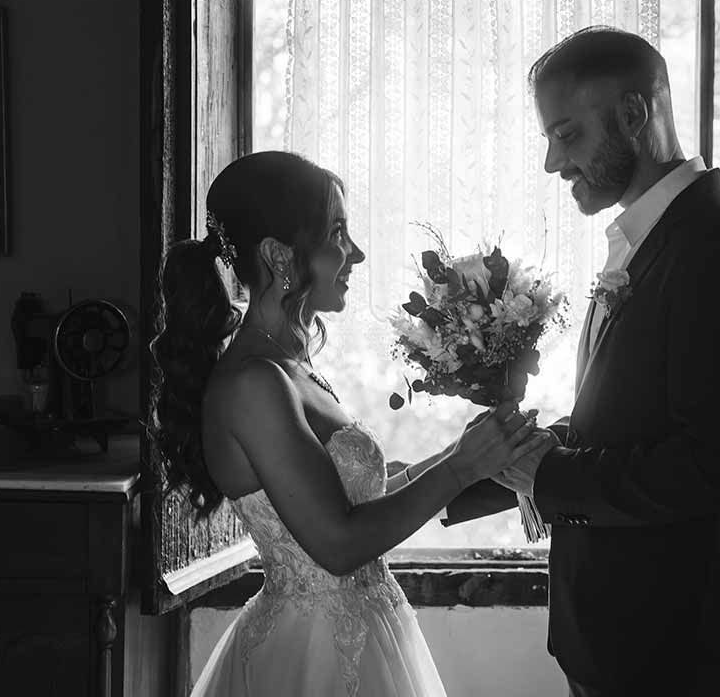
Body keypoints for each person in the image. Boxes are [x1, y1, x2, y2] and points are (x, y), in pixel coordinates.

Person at [445, 27, 720, 696]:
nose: (552, 162)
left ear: (634, 115)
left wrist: (549, 477)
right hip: (613, 633)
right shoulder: (651, 238)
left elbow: (710, 466)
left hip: (663, 642)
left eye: (568, 134)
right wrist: (468, 472)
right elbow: (626, 421)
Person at [150, 150, 553, 697]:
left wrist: (473, 450)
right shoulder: (253, 384)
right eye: (337, 233)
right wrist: (460, 469)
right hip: (310, 655)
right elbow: (337, 543)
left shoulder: (293, 367)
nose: (356, 253)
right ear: (278, 254)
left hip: (366, 628)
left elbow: (360, 495)